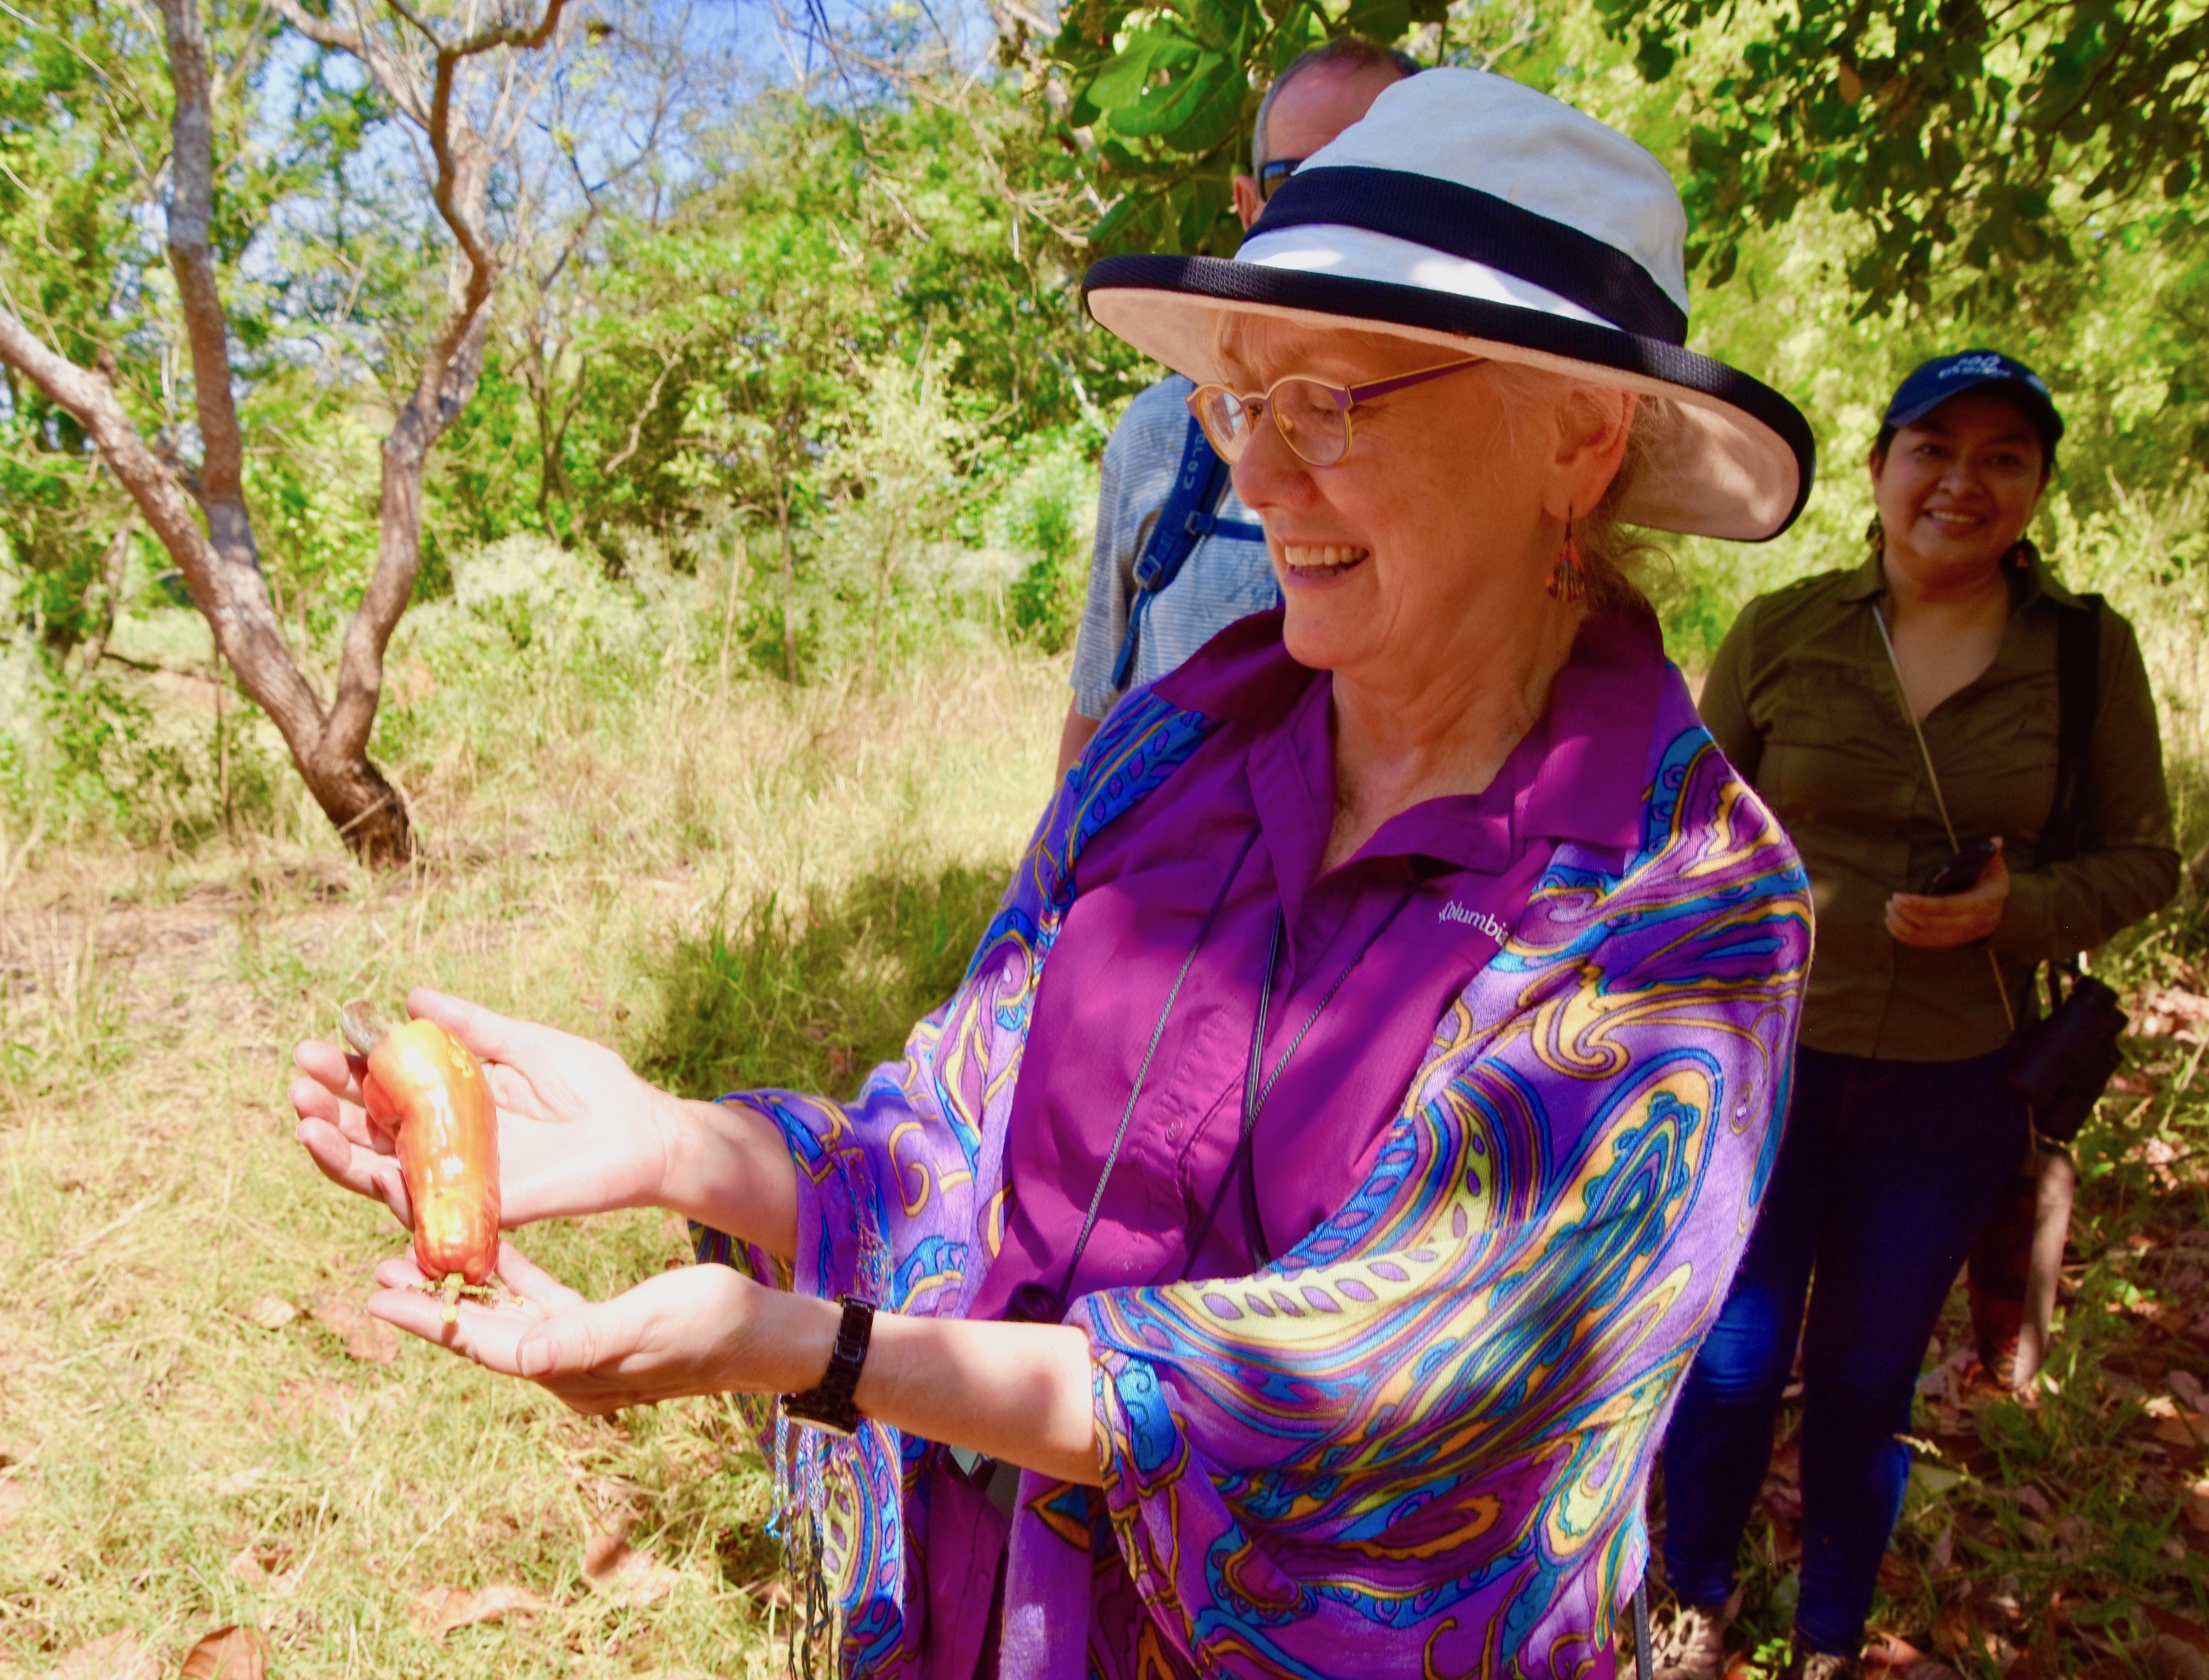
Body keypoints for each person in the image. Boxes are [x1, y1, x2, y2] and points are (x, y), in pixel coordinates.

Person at [290, 69, 1819, 1678]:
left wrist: (816, 1351)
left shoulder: (1679, 904)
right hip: (1001, 1612)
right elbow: (956, 1135)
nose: (1257, 479)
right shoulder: (1173, 749)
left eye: (1332, 407)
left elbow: (1390, 1375)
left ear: (1573, 438)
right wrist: (677, 1148)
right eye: (1245, 401)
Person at [1658, 351, 2180, 1679]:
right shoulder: (1784, 628)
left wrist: (2013, 907)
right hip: (1770, 1057)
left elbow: (2141, 859)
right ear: (1881, 466)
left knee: (1862, 1379)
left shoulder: (2083, 656)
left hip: (1952, 1081)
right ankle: (1689, 1600)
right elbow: (1691, 831)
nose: (1961, 480)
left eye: (2002, 455)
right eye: (1932, 447)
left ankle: (1828, 1635)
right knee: (1724, 1363)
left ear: (2036, 487)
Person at [1056, 37, 1412, 777]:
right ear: (1248, 205)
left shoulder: (1481, 438)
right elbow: (1097, 699)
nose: (1336, 217)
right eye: (1297, 183)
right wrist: (1043, 886)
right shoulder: (1161, 431)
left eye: (1376, 178)